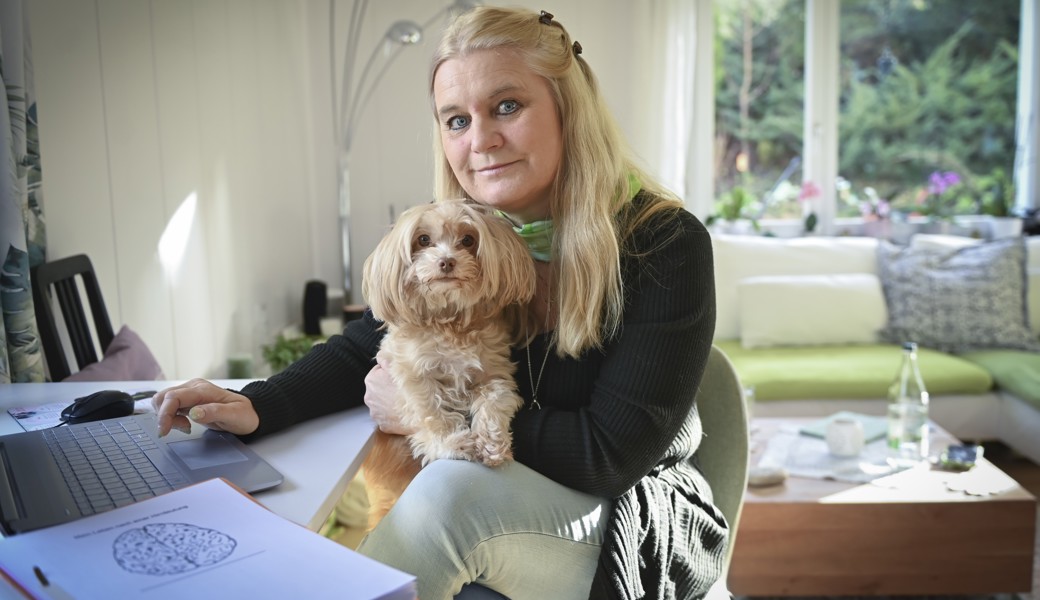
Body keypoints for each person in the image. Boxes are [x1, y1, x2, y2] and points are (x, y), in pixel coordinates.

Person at [153, 6, 726, 599]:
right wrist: (256, 404)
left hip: (626, 517)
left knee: (450, 494)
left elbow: (610, 455)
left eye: (507, 106)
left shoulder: (664, 243)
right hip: (509, 507)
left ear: (567, 110)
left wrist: (432, 418)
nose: (481, 140)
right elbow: (370, 345)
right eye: (456, 120)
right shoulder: (466, 239)